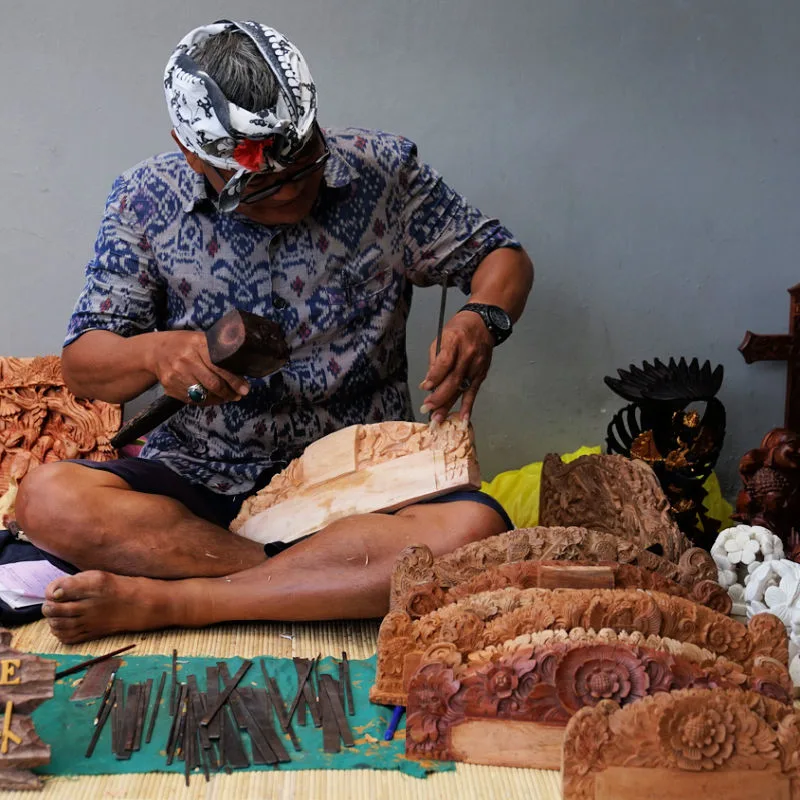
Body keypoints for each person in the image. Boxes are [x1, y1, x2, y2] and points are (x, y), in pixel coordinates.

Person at [16, 20, 533, 643]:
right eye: (259, 186)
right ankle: (301, 579)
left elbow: (500, 256)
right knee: (47, 500)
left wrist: (483, 316)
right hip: (200, 482)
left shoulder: (384, 170)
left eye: (305, 165)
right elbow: (85, 363)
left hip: (361, 484)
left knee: (474, 533)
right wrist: (156, 353)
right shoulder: (143, 199)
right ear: (191, 153)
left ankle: (184, 601)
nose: (290, 192)